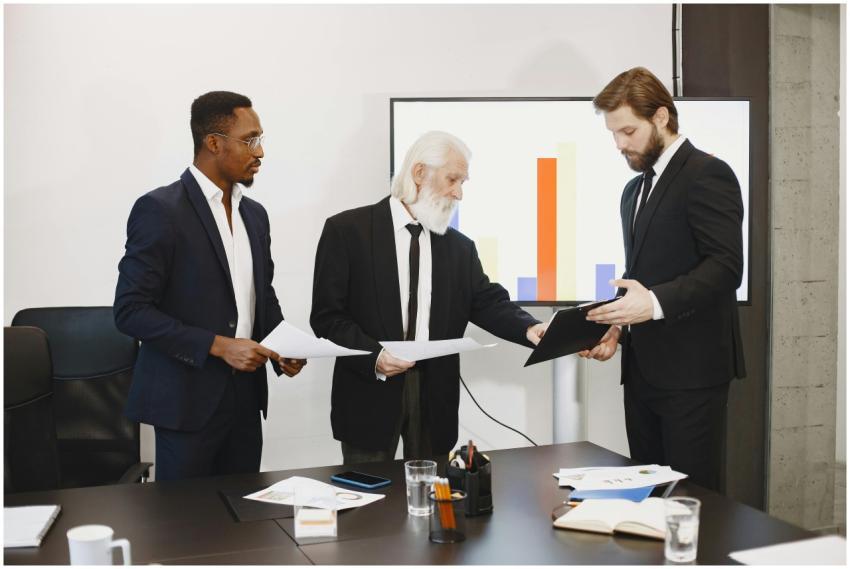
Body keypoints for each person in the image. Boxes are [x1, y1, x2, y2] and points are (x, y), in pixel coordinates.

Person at [310, 131, 548, 464]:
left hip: (435, 395)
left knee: (433, 503)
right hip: (370, 390)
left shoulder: (459, 247)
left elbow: (487, 301)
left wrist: (530, 328)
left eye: (463, 182)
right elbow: (327, 316)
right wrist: (375, 356)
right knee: (367, 504)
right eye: (453, 179)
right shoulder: (347, 231)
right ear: (420, 173)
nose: (459, 193)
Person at [114, 91, 306, 481]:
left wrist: (282, 347)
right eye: (250, 140)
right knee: (185, 532)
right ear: (214, 143)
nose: (261, 152)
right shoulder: (160, 210)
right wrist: (219, 346)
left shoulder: (255, 215)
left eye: (260, 140)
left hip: (246, 402)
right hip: (186, 403)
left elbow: (259, 296)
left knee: (243, 525)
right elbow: (130, 311)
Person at [582, 67, 746, 491]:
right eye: (613, 134)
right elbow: (643, 273)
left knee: (694, 502)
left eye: (628, 131)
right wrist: (619, 323)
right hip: (641, 371)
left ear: (660, 117)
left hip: (693, 374)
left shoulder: (708, 173)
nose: (620, 144)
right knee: (648, 498)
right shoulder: (633, 191)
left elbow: (726, 266)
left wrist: (652, 304)